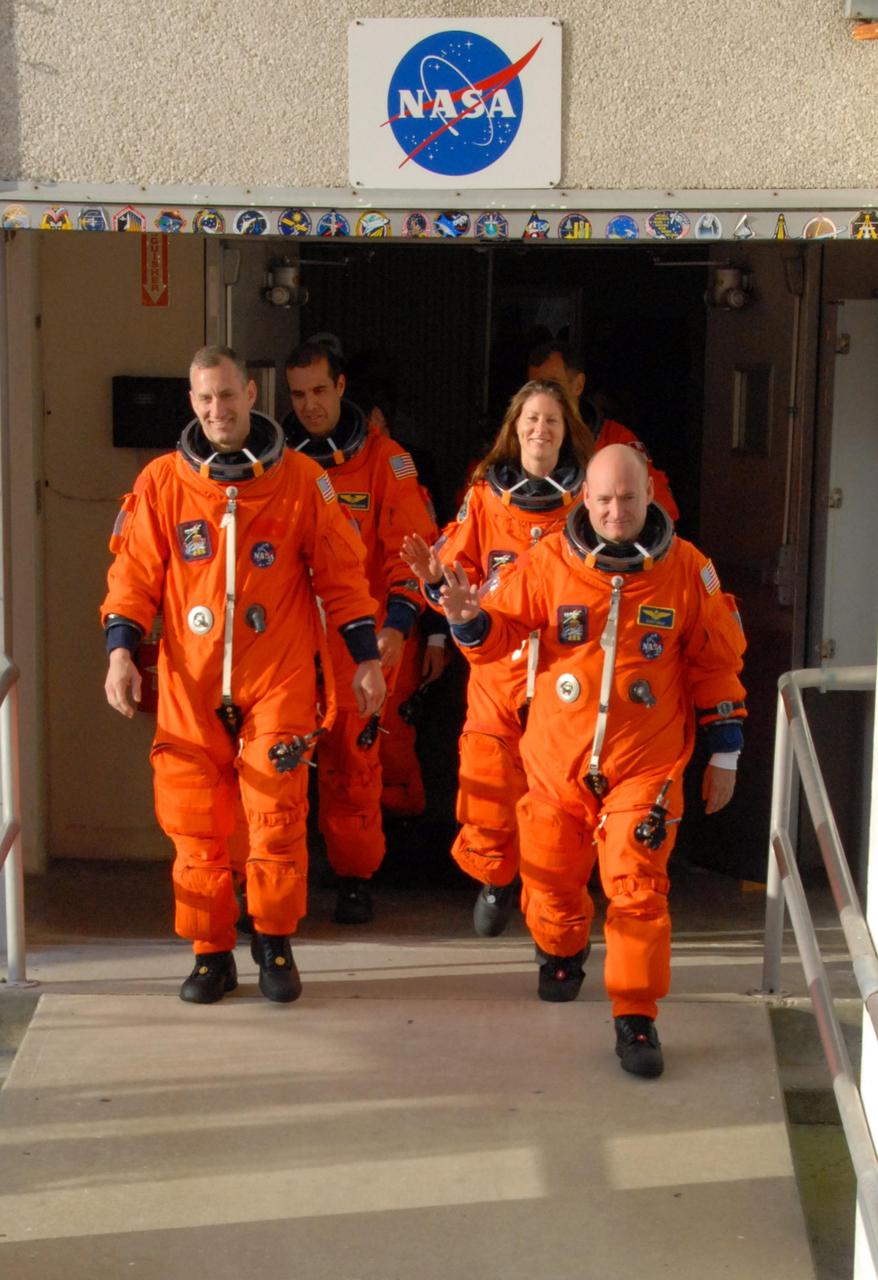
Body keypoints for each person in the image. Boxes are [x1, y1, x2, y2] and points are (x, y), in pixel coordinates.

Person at [436, 444, 746, 1077]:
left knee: (637, 886)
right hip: (557, 759)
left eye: (628, 498)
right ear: (585, 499)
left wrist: (727, 753)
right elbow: (500, 633)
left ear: (650, 497)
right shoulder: (549, 560)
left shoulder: (688, 570)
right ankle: (561, 948)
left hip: (645, 762)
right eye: (603, 499)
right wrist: (467, 621)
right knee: (550, 872)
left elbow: (716, 663)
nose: (615, 511)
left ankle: (636, 1016)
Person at [102, 345, 385, 1004]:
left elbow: (342, 577)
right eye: (205, 398)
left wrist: (366, 657)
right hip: (191, 684)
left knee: (276, 816)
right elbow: (133, 577)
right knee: (195, 822)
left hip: (276, 678)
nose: (217, 409)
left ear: (251, 395)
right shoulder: (163, 483)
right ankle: (210, 953)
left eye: (227, 395)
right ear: (192, 402)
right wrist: (120, 653)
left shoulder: (300, 481)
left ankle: (275, 942)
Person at [401, 379, 594, 937]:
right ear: (515, 428)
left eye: (552, 421)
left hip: (563, 673)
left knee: (558, 799)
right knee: (487, 781)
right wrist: (436, 581)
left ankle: (550, 902)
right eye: (531, 419)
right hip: (497, 668)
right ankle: (495, 877)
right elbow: (454, 573)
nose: (541, 430)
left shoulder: (588, 503)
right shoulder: (486, 496)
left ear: (567, 431)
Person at [283, 340, 437, 921]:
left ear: (341, 386)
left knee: (355, 764)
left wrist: (398, 625)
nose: (310, 405)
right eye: (299, 394)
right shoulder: (274, 464)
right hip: (289, 641)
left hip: (357, 642)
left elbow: (411, 553)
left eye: (320, 391)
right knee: (278, 764)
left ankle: (353, 879)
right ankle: (274, 881)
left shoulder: (385, 462)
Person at [353, 376, 450, 820]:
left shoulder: (408, 468)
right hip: (345, 633)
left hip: (401, 630)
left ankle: (404, 833)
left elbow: (434, 558)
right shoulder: (315, 468)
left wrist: (436, 638)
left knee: (394, 739)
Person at [526, 340, 680, 522]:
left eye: (553, 384)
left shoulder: (616, 441)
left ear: (578, 385)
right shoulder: (518, 440)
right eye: (535, 386)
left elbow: (662, 512)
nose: (543, 394)